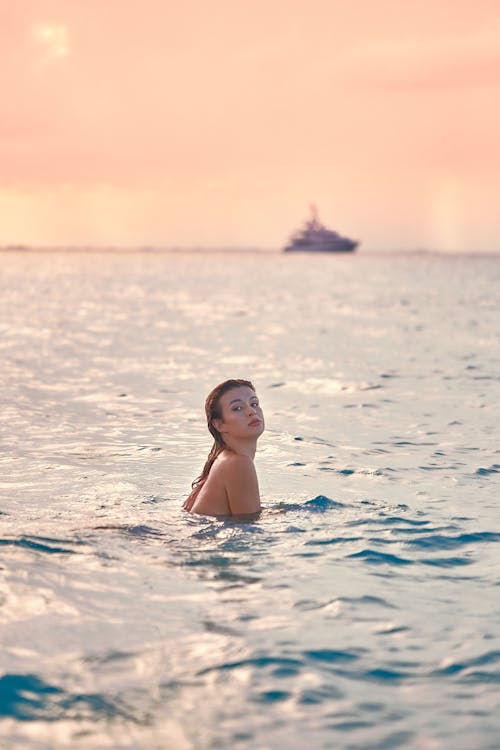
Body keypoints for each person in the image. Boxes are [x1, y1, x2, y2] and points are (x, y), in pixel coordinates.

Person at [183, 379, 264, 517]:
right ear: (219, 424)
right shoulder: (238, 463)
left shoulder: (224, 459)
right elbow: (249, 527)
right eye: (238, 408)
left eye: (254, 404)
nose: (251, 411)